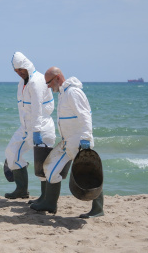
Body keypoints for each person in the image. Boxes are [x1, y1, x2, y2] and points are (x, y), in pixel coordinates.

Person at [30, 66, 104, 217]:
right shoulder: (63, 93)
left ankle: (98, 209)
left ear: (57, 78)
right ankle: (50, 203)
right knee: (49, 168)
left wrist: (85, 139)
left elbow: (85, 116)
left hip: (79, 142)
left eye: (49, 82)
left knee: (91, 175)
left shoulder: (73, 92)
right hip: (67, 142)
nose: (48, 86)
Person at [4, 52, 56, 200]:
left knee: (43, 165)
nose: (19, 73)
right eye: (16, 71)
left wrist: (37, 131)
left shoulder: (36, 81)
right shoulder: (23, 82)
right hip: (25, 127)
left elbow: (38, 109)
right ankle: (21, 190)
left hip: (41, 127)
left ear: (27, 66)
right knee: (12, 152)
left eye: (21, 69)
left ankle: (45, 198)